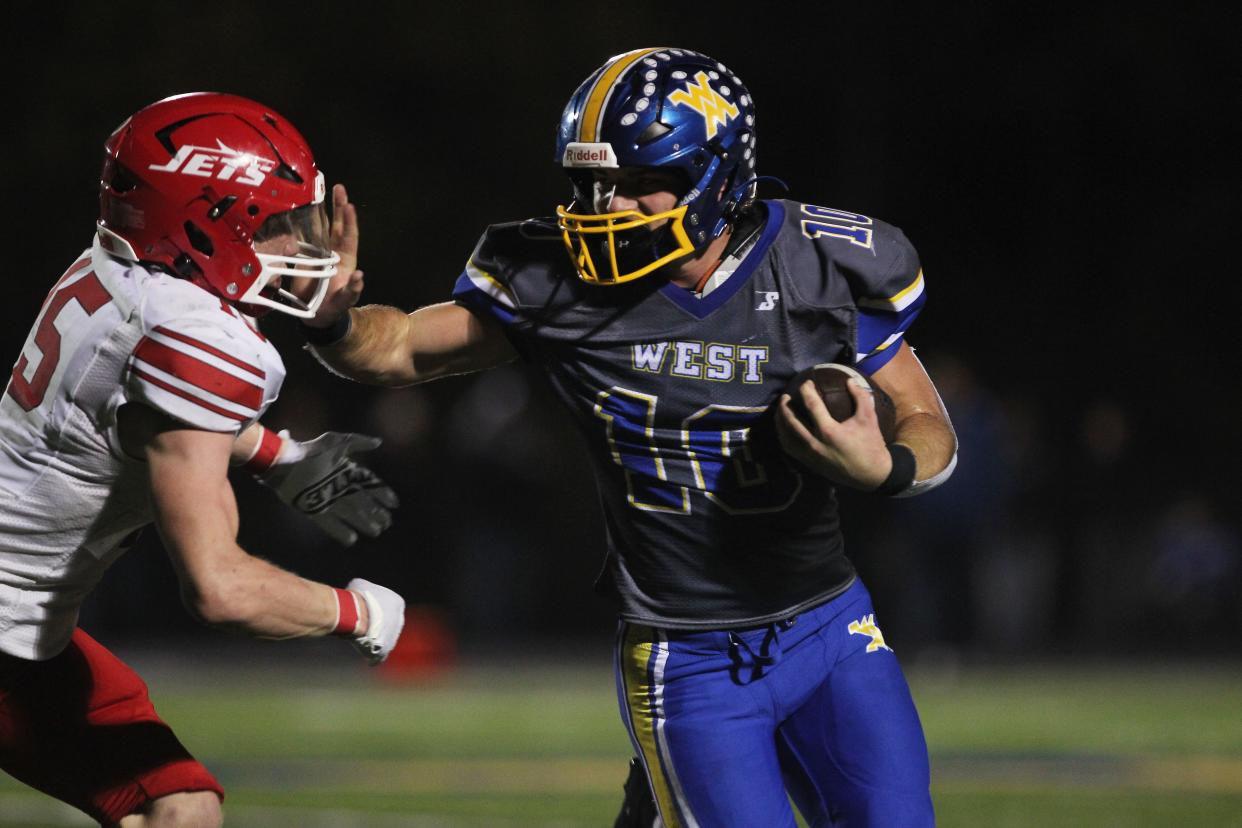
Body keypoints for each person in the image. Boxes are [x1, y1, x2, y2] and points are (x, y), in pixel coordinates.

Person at [307, 47, 957, 827]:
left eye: (640, 182)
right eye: (593, 184)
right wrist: (333, 317)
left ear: (717, 175)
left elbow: (927, 422)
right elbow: (399, 348)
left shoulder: (823, 264)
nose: (609, 207)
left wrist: (885, 468)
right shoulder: (558, 280)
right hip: (689, 654)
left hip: (830, 626)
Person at [0, 93, 406, 827]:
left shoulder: (114, 272)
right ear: (206, 223)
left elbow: (133, 412)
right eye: (279, 226)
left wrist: (279, 456)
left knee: (180, 807)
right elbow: (221, 589)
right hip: (8, 637)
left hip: (23, 635)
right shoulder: (195, 334)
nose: (302, 245)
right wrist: (359, 613)